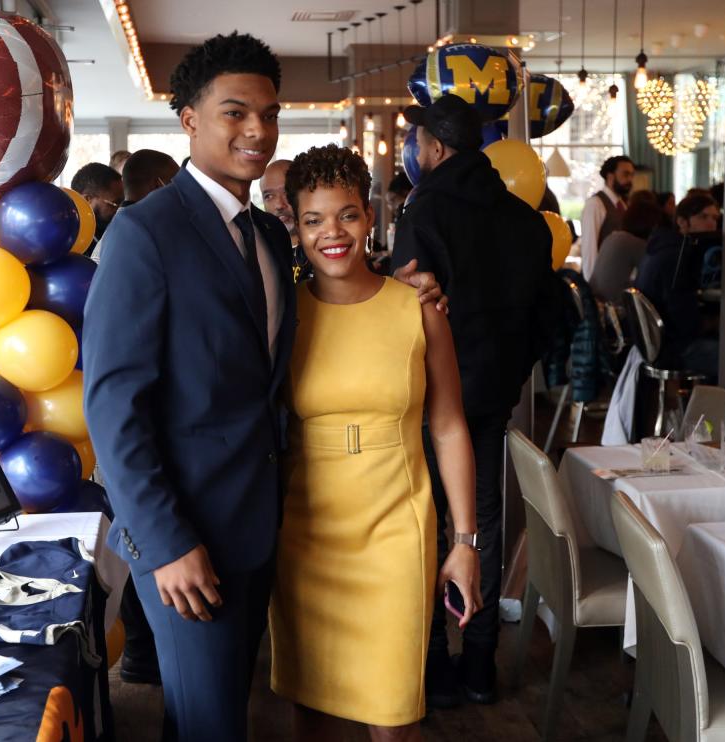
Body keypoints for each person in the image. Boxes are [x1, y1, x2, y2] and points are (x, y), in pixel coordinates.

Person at [84, 32, 442, 742]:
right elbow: (114, 405)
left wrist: (400, 292)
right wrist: (162, 540)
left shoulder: (272, 239)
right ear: (189, 119)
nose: (257, 130)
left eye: (269, 114)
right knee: (210, 725)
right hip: (186, 537)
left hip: (265, 526)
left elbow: (317, 329)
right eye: (235, 113)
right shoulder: (143, 233)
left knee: (220, 717)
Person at [270, 145, 480, 741]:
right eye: (313, 219)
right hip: (306, 534)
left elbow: (449, 426)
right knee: (311, 713)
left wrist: (465, 542)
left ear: (370, 217)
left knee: (395, 715)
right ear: (296, 225)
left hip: (396, 531)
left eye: (347, 214)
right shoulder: (282, 316)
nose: (331, 233)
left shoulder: (417, 307)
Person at [391, 94, 556, 708]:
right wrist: (512, 369)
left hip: (437, 395)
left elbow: (408, 303)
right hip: (493, 391)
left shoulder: (425, 207)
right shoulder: (523, 217)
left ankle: (435, 664)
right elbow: (547, 312)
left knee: (432, 526)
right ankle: (481, 663)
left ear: (432, 147)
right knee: (479, 522)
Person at [634, 192, 721, 380]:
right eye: (703, 217)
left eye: (715, 218)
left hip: (648, 345)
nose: (711, 224)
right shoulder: (677, 257)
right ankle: (711, 406)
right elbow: (687, 324)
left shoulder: (661, 246)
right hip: (671, 348)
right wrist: (714, 321)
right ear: (682, 222)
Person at [92, 150, 181, 263]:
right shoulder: (140, 235)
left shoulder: (120, 229)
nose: (180, 193)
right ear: (158, 185)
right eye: (176, 185)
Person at [590, 193, 666, 303]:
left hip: (597, 304)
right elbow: (654, 273)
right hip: (615, 309)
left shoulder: (613, 236)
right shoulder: (635, 243)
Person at [579, 155, 635, 281]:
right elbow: (589, 248)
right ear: (610, 176)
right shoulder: (595, 203)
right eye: (625, 174)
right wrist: (592, 287)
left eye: (632, 175)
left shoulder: (623, 204)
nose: (630, 180)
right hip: (600, 281)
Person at [259, 159, 311, 282]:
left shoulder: (324, 247)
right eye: (269, 196)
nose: (279, 205)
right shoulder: (261, 253)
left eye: (287, 192)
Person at [70, 162, 124, 256]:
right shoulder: (71, 241)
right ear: (87, 200)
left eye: (123, 202)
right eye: (115, 203)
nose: (121, 209)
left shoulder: (116, 229)